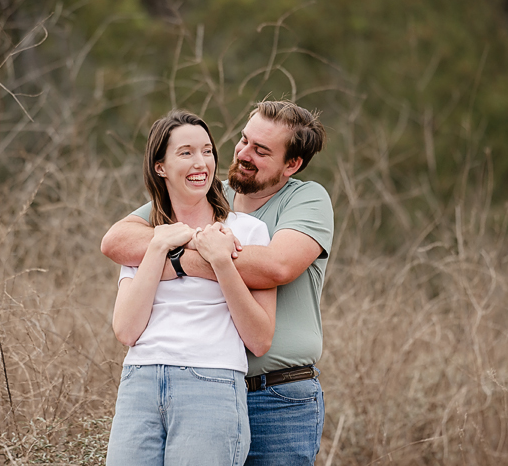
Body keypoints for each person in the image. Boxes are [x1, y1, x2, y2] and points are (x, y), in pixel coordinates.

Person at [102, 100, 334, 466]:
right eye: (243, 140)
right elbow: (118, 241)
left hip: (278, 393)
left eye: (261, 151)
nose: (242, 153)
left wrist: (184, 257)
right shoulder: (205, 191)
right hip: (204, 380)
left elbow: (276, 266)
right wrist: (187, 249)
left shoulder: (306, 198)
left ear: (292, 164)